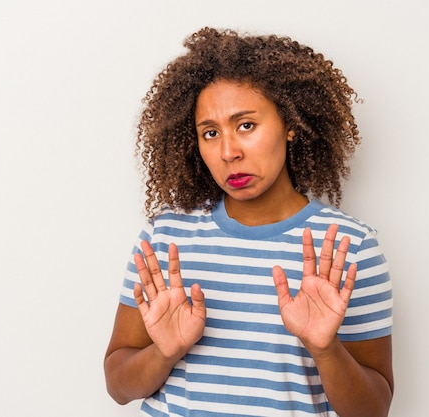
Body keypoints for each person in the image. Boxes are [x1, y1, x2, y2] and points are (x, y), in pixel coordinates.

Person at [104, 27, 393, 417]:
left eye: (246, 126)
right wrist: (165, 351)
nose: (228, 152)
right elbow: (118, 387)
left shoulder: (347, 246)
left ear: (290, 125)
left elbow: (373, 410)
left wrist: (325, 350)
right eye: (210, 133)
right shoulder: (166, 237)